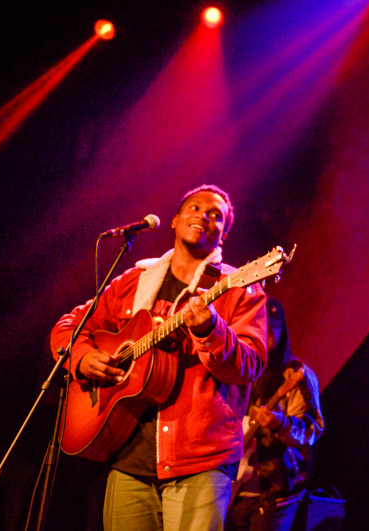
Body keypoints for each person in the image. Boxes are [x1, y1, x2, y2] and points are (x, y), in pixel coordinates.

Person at [51, 184, 267, 530]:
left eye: (216, 216)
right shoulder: (132, 281)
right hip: (127, 457)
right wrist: (81, 357)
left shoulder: (240, 288)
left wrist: (211, 329)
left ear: (223, 234)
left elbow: (250, 364)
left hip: (200, 459)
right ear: (175, 220)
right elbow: (70, 325)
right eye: (195, 208)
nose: (204, 217)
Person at [226, 298, 324, 531]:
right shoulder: (240, 367)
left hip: (277, 491)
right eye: (260, 326)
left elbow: (313, 429)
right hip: (235, 489)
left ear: (282, 330)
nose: (266, 333)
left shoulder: (297, 374)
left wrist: (281, 424)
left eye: (272, 327)